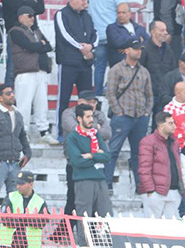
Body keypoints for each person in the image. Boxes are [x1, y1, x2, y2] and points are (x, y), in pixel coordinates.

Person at [105, 37, 152, 192]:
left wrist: (147, 112)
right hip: (123, 116)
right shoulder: (116, 69)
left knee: (139, 153)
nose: (138, 51)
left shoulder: (144, 71)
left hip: (140, 117)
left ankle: (140, 185)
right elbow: (110, 93)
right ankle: (107, 183)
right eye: (135, 48)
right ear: (127, 51)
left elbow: (149, 94)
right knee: (113, 151)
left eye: (140, 49)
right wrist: (118, 111)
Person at [9, 6, 56, 144]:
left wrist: (37, 45)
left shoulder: (36, 30)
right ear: (21, 17)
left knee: (42, 104)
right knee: (24, 104)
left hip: (40, 70)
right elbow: (30, 46)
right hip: (25, 71)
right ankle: (22, 133)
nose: (33, 18)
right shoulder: (15, 31)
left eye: (33, 15)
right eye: (29, 15)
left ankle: (44, 132)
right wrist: (38, 45)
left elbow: (47, 46)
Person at [61, 91, 111, 218]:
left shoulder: (99, 117)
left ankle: (66, 234)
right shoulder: (68, 113)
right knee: (75, 203)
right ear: (80, 102)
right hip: (76, 168)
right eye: (89, 102)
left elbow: (108, 136)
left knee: (101, 210)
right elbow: (74, 128)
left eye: (94, 102)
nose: (93, 105)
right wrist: (96, 126)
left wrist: (91, 155)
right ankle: (65, 233)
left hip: (97, 171)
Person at [0, 84, 31, 212]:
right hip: (0, 162)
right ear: (0, 98)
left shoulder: (18, 114)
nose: (12, 95)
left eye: (12, 92)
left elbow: (22, 136)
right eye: (8, 93)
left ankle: (13, 229)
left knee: (15, 198)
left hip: (15, 162)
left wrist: (28, 153)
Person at [54, 0, 97, 136]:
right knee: (63, 99)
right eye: (83, 0)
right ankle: (60, 131)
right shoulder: (61, 14)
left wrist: (91, 47)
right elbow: (64, 34)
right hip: (68, 63)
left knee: (87, 99)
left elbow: (95, 34)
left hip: (85, 64)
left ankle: (87, 130)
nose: (86, 3)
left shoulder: (87, 16)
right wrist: (82, 48)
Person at [138, 112, 183, 219]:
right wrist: (150, 190)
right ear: (161, 126)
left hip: (174, 190)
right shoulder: (148, 141)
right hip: (155, 191)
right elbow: (144, 168)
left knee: (171, 230)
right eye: (171, 123)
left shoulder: (174, 142)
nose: (174, 126)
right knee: (153, 227)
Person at [141, 21, 177, 120]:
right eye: (162, 30)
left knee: (159, 127)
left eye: (166, 30)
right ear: (153, 32)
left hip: (163, 95)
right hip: (147, 95)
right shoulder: (144, 48)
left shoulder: (168, 49)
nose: (166, 33)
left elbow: (172, 71)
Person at [106, 3, 148, 67]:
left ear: (129, 13)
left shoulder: (140, 28)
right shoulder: (111, 28)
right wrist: (138, 40)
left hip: (139, 65)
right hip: (120, 66)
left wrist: (129, 48)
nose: (121, 15)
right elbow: (118, 42)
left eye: (123, 12)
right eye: (119, 13)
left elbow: (147, 43)